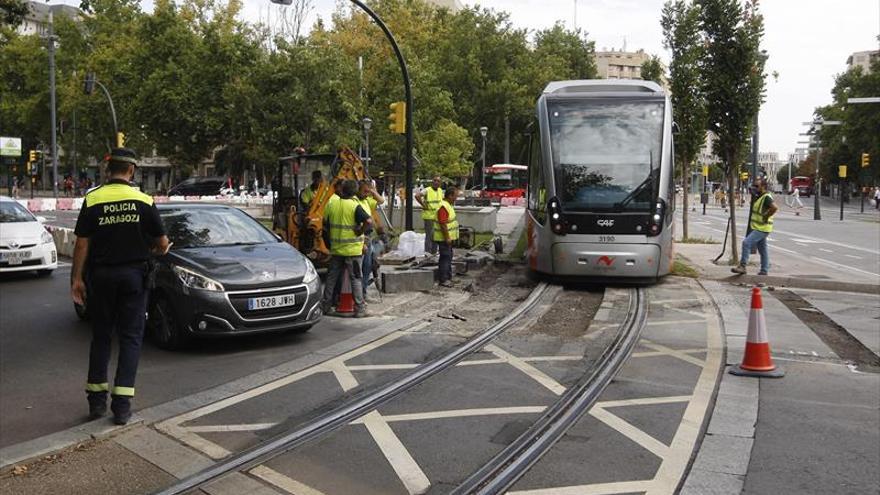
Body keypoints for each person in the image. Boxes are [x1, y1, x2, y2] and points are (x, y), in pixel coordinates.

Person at [71, 148, 170, 425]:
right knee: (130, 338)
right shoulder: (143, 200)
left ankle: (96, 402)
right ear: (131, 170)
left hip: (100, 277)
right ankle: (122, 407)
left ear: (108, 169)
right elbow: (161, 244)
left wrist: (77, 279)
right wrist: (154, 248)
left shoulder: (93, 199)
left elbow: (82, 243)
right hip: (133, 278)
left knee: (101, 336)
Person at [321, 179, 372, 317]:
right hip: (352, 250)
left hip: (336, 249)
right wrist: (360, 231)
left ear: (342, 189)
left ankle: (325, 306)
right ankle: (359, 309)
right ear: (355, 191)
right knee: (356, 278)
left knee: (331, 277)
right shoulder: (355, 206)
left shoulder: (332, 203)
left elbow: (325, 224)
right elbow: (368, 221)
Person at [732, 178, 777, 276]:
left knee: (746, 243)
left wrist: (766, 216)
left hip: (762, 228)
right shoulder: (760, 196)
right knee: (763, 249)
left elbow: (774, 207)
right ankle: (764, 270)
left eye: (757, 186)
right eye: (754, 186)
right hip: (759, 227)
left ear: (763, 187)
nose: (755, 188)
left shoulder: (766, 197)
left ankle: (742, 266)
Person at [356, 180, 385, 300]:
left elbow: (381, 200)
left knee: (368, 266)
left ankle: (364, 291)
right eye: (364, 190)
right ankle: (360, 294)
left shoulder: (367, 200)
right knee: (360, 268)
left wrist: (372, 190)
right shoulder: (356, 201)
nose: (366, 193)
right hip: (361, 238)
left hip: (368, 237)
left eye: (367, 191)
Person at [435, 186, 459, 288]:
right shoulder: (443, 206)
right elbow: (443, 224)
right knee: (445, 257)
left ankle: (448, 278)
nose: (456, 198)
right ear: (450, 196)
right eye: (455, 196)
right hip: (444, 238)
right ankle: (444, 279)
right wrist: (447, 237)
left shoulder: (448, 204)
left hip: (448, 237)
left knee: (449, 257)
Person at [415, 176, 443, 256]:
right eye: (435, 180)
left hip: (437, 216)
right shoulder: (427, 190)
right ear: (432, 181)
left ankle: (434, 252)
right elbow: (417, 196)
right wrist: (423, 205)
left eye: (438, 181)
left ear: (440, 183)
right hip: (429, 216)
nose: (436, 182)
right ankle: (427, 252)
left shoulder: (440, 191)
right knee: (429, 235)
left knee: (436, 235)